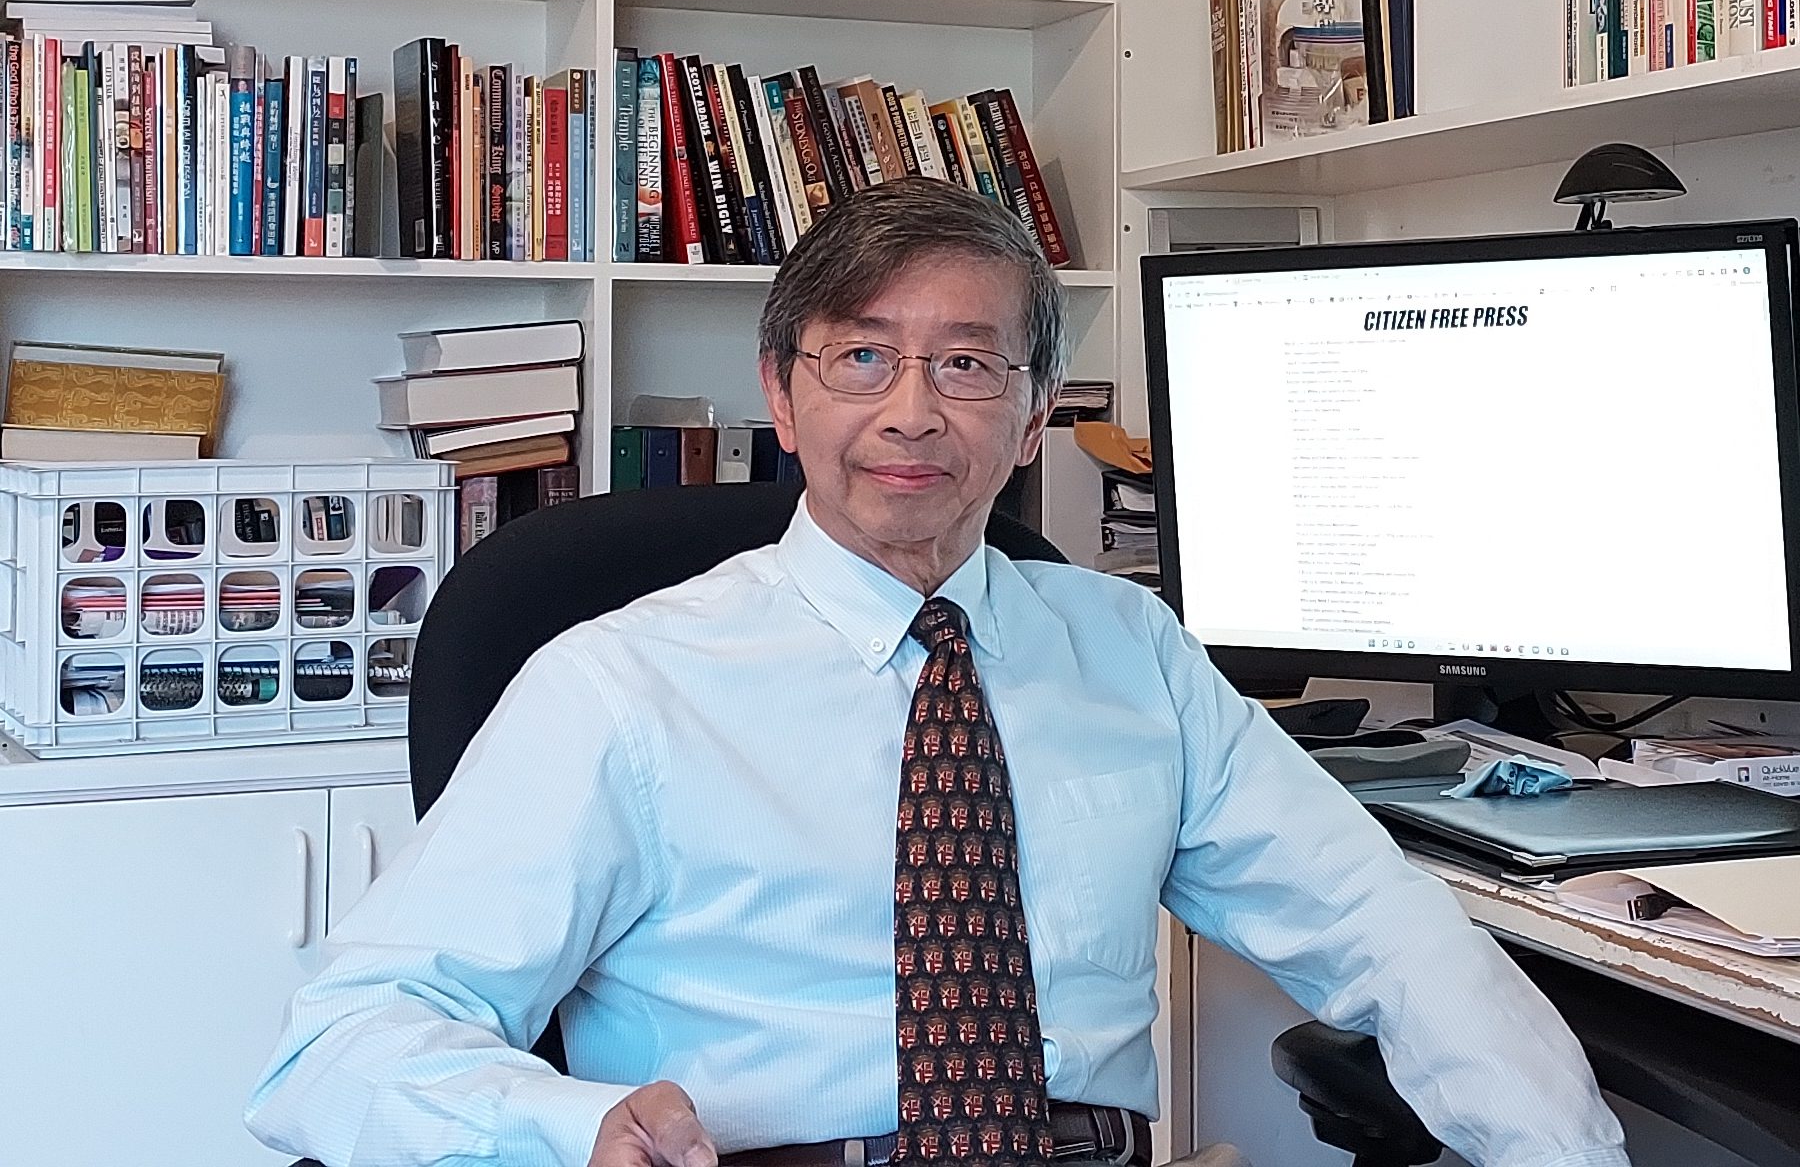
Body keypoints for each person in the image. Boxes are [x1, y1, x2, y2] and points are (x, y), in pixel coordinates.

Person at [246, 177, 1631, 1167]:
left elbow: (1381, 928)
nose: (913, 410)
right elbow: (349, 1039)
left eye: (969, 363)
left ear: (1035, 414)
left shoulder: (1130, 653)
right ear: (783, 397)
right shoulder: (622, 689)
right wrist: (571, 1131)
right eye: (863, 356)